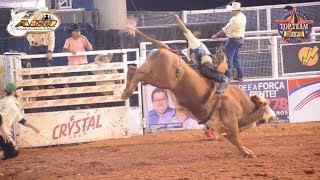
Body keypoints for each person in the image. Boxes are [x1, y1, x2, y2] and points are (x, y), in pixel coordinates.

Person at [171, 13, 229, 95]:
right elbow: (184, 29)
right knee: (225, 79)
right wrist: (177, 18)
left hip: (203, 70)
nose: (196, 34)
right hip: (208, 68)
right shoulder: (194, 42)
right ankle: (218, 95)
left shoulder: (190, 50)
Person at [0, 83, 40, 160]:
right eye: (17, 90)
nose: (19, 91)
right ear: (13, 92)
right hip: (2, 131)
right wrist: (3, 131)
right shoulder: (10, 103)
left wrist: (33, 127)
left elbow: (21, 120)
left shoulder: (9, 102)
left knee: (8, 151)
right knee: (12, 151)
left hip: (2, 131)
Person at [211, 2, 247, 82]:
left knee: (229, 59)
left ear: (234, 11)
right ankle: (240, 75)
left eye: (232, 10)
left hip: (233, 40)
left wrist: (216, 35)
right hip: (240, 40)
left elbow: (225, 29)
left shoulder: (234, 20)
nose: (231, 12)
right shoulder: (243, 16)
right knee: (236, 58)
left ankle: (227, 78)